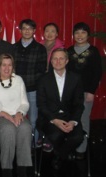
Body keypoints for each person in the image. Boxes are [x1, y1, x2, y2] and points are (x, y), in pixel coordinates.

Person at [37, 48, 84, 170]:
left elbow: (79, 104)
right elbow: (41, 105)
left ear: (67, 61)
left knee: (78, 137)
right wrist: (54, 120)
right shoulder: (43, 79)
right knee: (55, 135)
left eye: (61, 58)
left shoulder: (76, 78)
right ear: (51, 61)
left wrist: (73, 122)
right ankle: (65, 153)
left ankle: (59, 155)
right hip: (50, 117)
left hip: (69, 116)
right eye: (55, 58)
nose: (58, 61)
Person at [67, 22, 102, 160]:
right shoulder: (69, 51)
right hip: (70, 93)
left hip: (86, 93)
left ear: (88, 34)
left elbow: (97, 73)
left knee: (83, 119)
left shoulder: (93, 51)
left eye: (83, 32)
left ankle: (81, 148)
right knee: (71, 120)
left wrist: (91, 92)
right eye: (77, 33)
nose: (80, 35)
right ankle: (71, 145)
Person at [12, 19, 47, 145]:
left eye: (30, 28)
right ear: (20, 30)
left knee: (33, 119)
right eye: (24, 28)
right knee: (16, 118)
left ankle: (32, 145)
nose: (27, 31)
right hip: (15, 91)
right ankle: (18, 143)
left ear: (34, 31)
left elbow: (41, 71)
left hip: (33, 90)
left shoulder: (40, 48)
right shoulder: (14, 47)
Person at [39, 22, 65, 152]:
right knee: (42, 109)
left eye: (52, 31)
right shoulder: (40, 45)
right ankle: (42, 135)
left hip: (55, 82)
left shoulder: (60, 48)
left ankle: (50, 138)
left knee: (52, 108)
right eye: (47, 31)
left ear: (57, 34)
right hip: (42, 81)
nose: (49, 34)